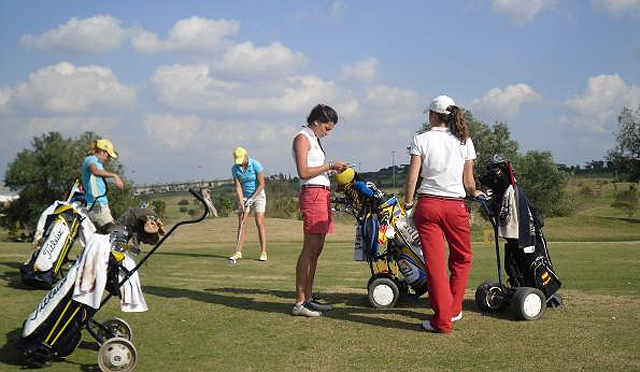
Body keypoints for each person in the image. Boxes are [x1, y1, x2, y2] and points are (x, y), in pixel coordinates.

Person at [404, 95, 485, 333]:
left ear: (432, 115)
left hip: (428, 205)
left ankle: (443, 318)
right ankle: (453, 309)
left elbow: (412, 178)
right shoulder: (464, 141)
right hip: (455, 207)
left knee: (435, 265)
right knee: (462, 259)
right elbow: (469, 183)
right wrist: (476, 192)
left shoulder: (421, 139)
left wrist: (408, 205)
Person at [291, 104, 348, 317]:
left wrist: (332, 170)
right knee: (309, 249)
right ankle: (299, 303)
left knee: (317, 250)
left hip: (321, 194)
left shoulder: (314, 139)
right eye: (327, 128)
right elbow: (303, 171)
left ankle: (308, 297)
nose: (328, 132)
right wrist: (330, 165)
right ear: (316, 121)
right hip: (312, 194)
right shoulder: (302, 138)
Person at [228, 147, 268, 261]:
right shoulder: (235, 168)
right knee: (242, 223)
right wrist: (241, 201)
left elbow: (262, 184)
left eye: (241, 160)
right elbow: (238, 186)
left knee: (259, 221)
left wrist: (253, 198)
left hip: (259, 195)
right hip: (245, 196)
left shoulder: (255, 164)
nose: (240, 164)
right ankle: (238, 252)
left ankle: (263, 252)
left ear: (246, 156)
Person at [81, 139, 124, 233]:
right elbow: (95, 171)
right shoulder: (91, 160)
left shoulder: (97, 162)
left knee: (101, 237)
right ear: (102, 151)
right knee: (114, 235)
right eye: (108, 155)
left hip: (98, 204)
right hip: (98, 204)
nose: (108, 158)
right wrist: (114, 176)